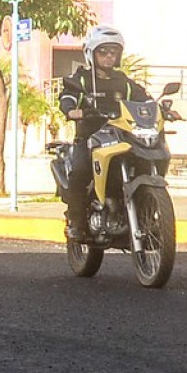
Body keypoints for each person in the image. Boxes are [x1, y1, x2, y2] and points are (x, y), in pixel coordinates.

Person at [58, 24, 152, 240]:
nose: (109, 57)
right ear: (92, 54)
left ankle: (141, 213)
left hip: (121, 136)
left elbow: (145, 99)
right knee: (80, 172)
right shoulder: (82, 79)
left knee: (142, 163)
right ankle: (76, 223)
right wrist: (71, 109)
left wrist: (161, 110)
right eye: (103, 52)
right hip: (90, 138)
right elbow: (68, 95)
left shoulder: (124, 82)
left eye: (113, 52)